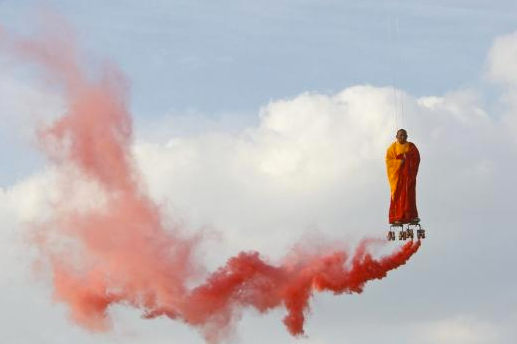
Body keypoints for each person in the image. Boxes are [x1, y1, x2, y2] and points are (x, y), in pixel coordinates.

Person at [385, 129, 420, 224]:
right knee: (397, 197)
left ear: (407, 136)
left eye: (404, 135)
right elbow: (389, 161)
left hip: (408, 177)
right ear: (396, 136)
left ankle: (411, 217)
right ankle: (396, 218)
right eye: (400, 135)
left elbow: (416, 158)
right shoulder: (392, 148)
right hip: (398, 178)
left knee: (410, 197)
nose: (402, 137)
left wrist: (407, 157)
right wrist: (399, 162)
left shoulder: (411, 146)